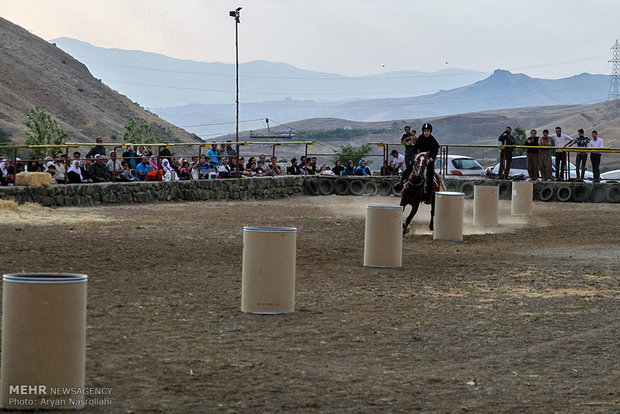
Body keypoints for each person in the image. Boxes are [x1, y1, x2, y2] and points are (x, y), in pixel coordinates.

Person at [395, 123, 440, 204]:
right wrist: (418, 153)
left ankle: (428, 196)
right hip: (420, 159)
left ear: (430, 132)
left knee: (430, 176)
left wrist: (432, 157)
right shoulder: (420, 138)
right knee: (408, 170)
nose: (426, 132)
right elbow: (415, 149)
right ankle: (401, 184)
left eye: (428, 131)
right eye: (425, 131)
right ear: (423, 131)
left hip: (428, 161)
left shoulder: (433, 140)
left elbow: (435, 150)